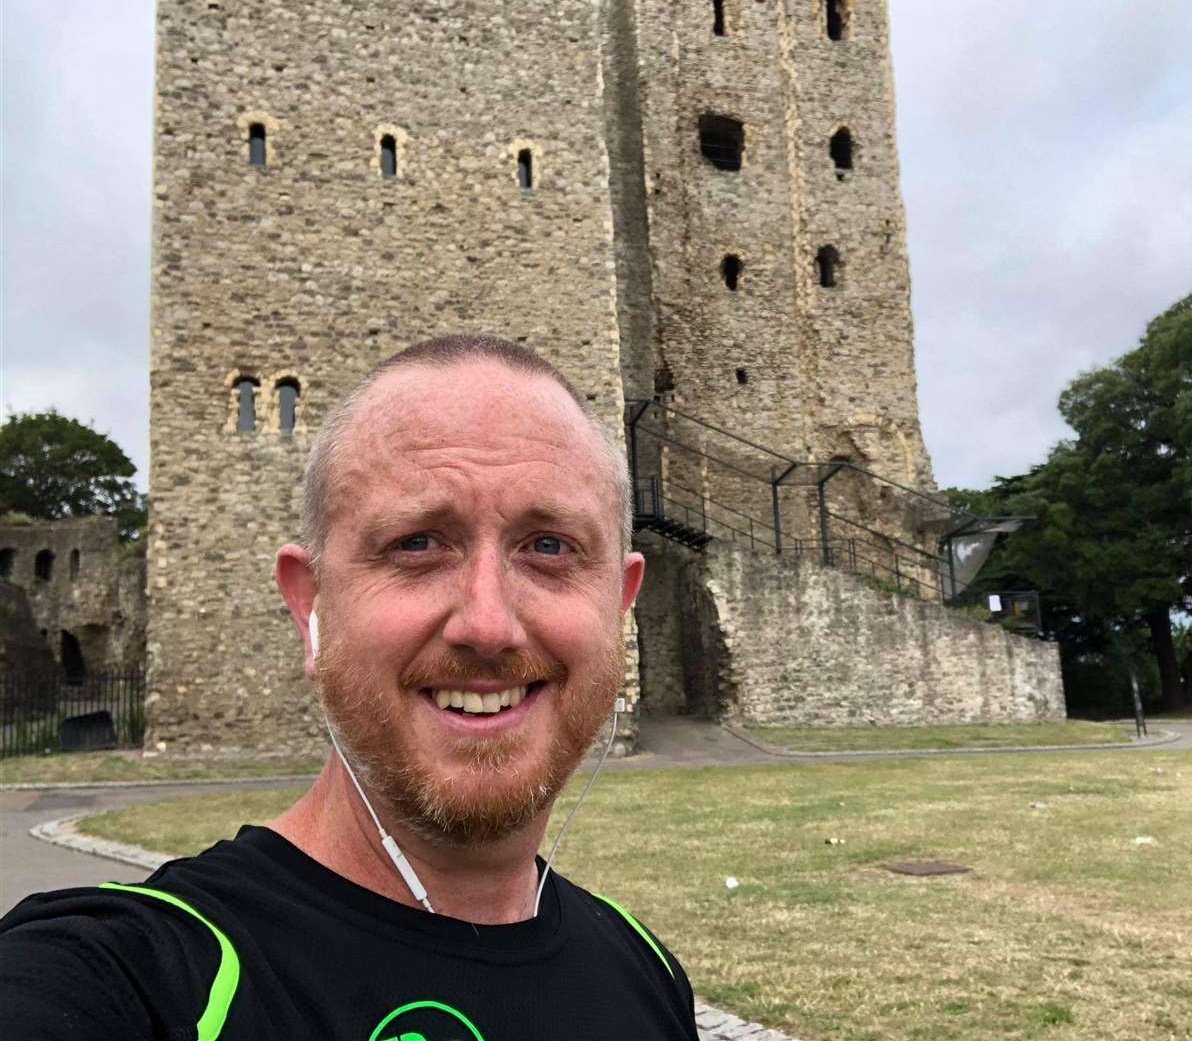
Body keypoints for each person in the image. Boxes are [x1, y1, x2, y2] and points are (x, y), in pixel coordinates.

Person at [0, 334, 701, 1040]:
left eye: (549, 547)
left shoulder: (646, 974)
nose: (488, 624)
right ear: (311, 606)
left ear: (620, 602)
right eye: (417, 544)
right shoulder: (131, 976)